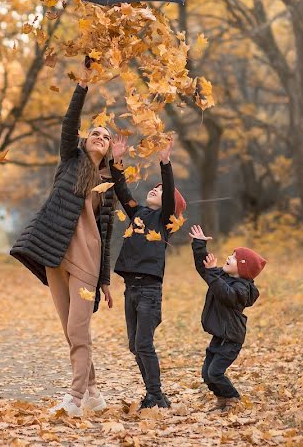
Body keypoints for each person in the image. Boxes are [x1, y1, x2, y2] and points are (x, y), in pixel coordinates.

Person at [10, 64, 115, 418]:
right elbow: (69, 124)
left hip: (86, 263)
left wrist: (105, 280)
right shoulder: (71, 162)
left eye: (106, 135)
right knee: (71, 332)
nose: (99, 136)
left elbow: (107, 233)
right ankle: (94, 393)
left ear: (111, 148)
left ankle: (73, 397)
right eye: (95, 132)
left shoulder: (108, 183)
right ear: (86, 140)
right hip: (55, 257)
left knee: (78, 329)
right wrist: (82, 86)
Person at [109, 135, 185, 410]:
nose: (155, 190)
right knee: (134, 346)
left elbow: (169, 199)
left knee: (143, 344)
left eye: (162, 190)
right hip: (132, 289)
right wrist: (117, 162)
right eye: (154, 187)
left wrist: (165, 163)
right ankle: (157, 396)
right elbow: (122, 192)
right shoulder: (138, 213)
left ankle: (154, 395)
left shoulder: (164, 221)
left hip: (150, 292)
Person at [188, 224, 266, 410]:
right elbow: (204, 269)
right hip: (220, 336)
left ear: (243, 269)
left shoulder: (243, 289)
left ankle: (233, 398)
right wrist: (199, 245)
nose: (228, 258)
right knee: (207, 374)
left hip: (231, 338)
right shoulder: (221, 276)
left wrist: (214, 273)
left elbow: (226, 295)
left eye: (234, 258)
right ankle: (222, 400)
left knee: (215, 372)